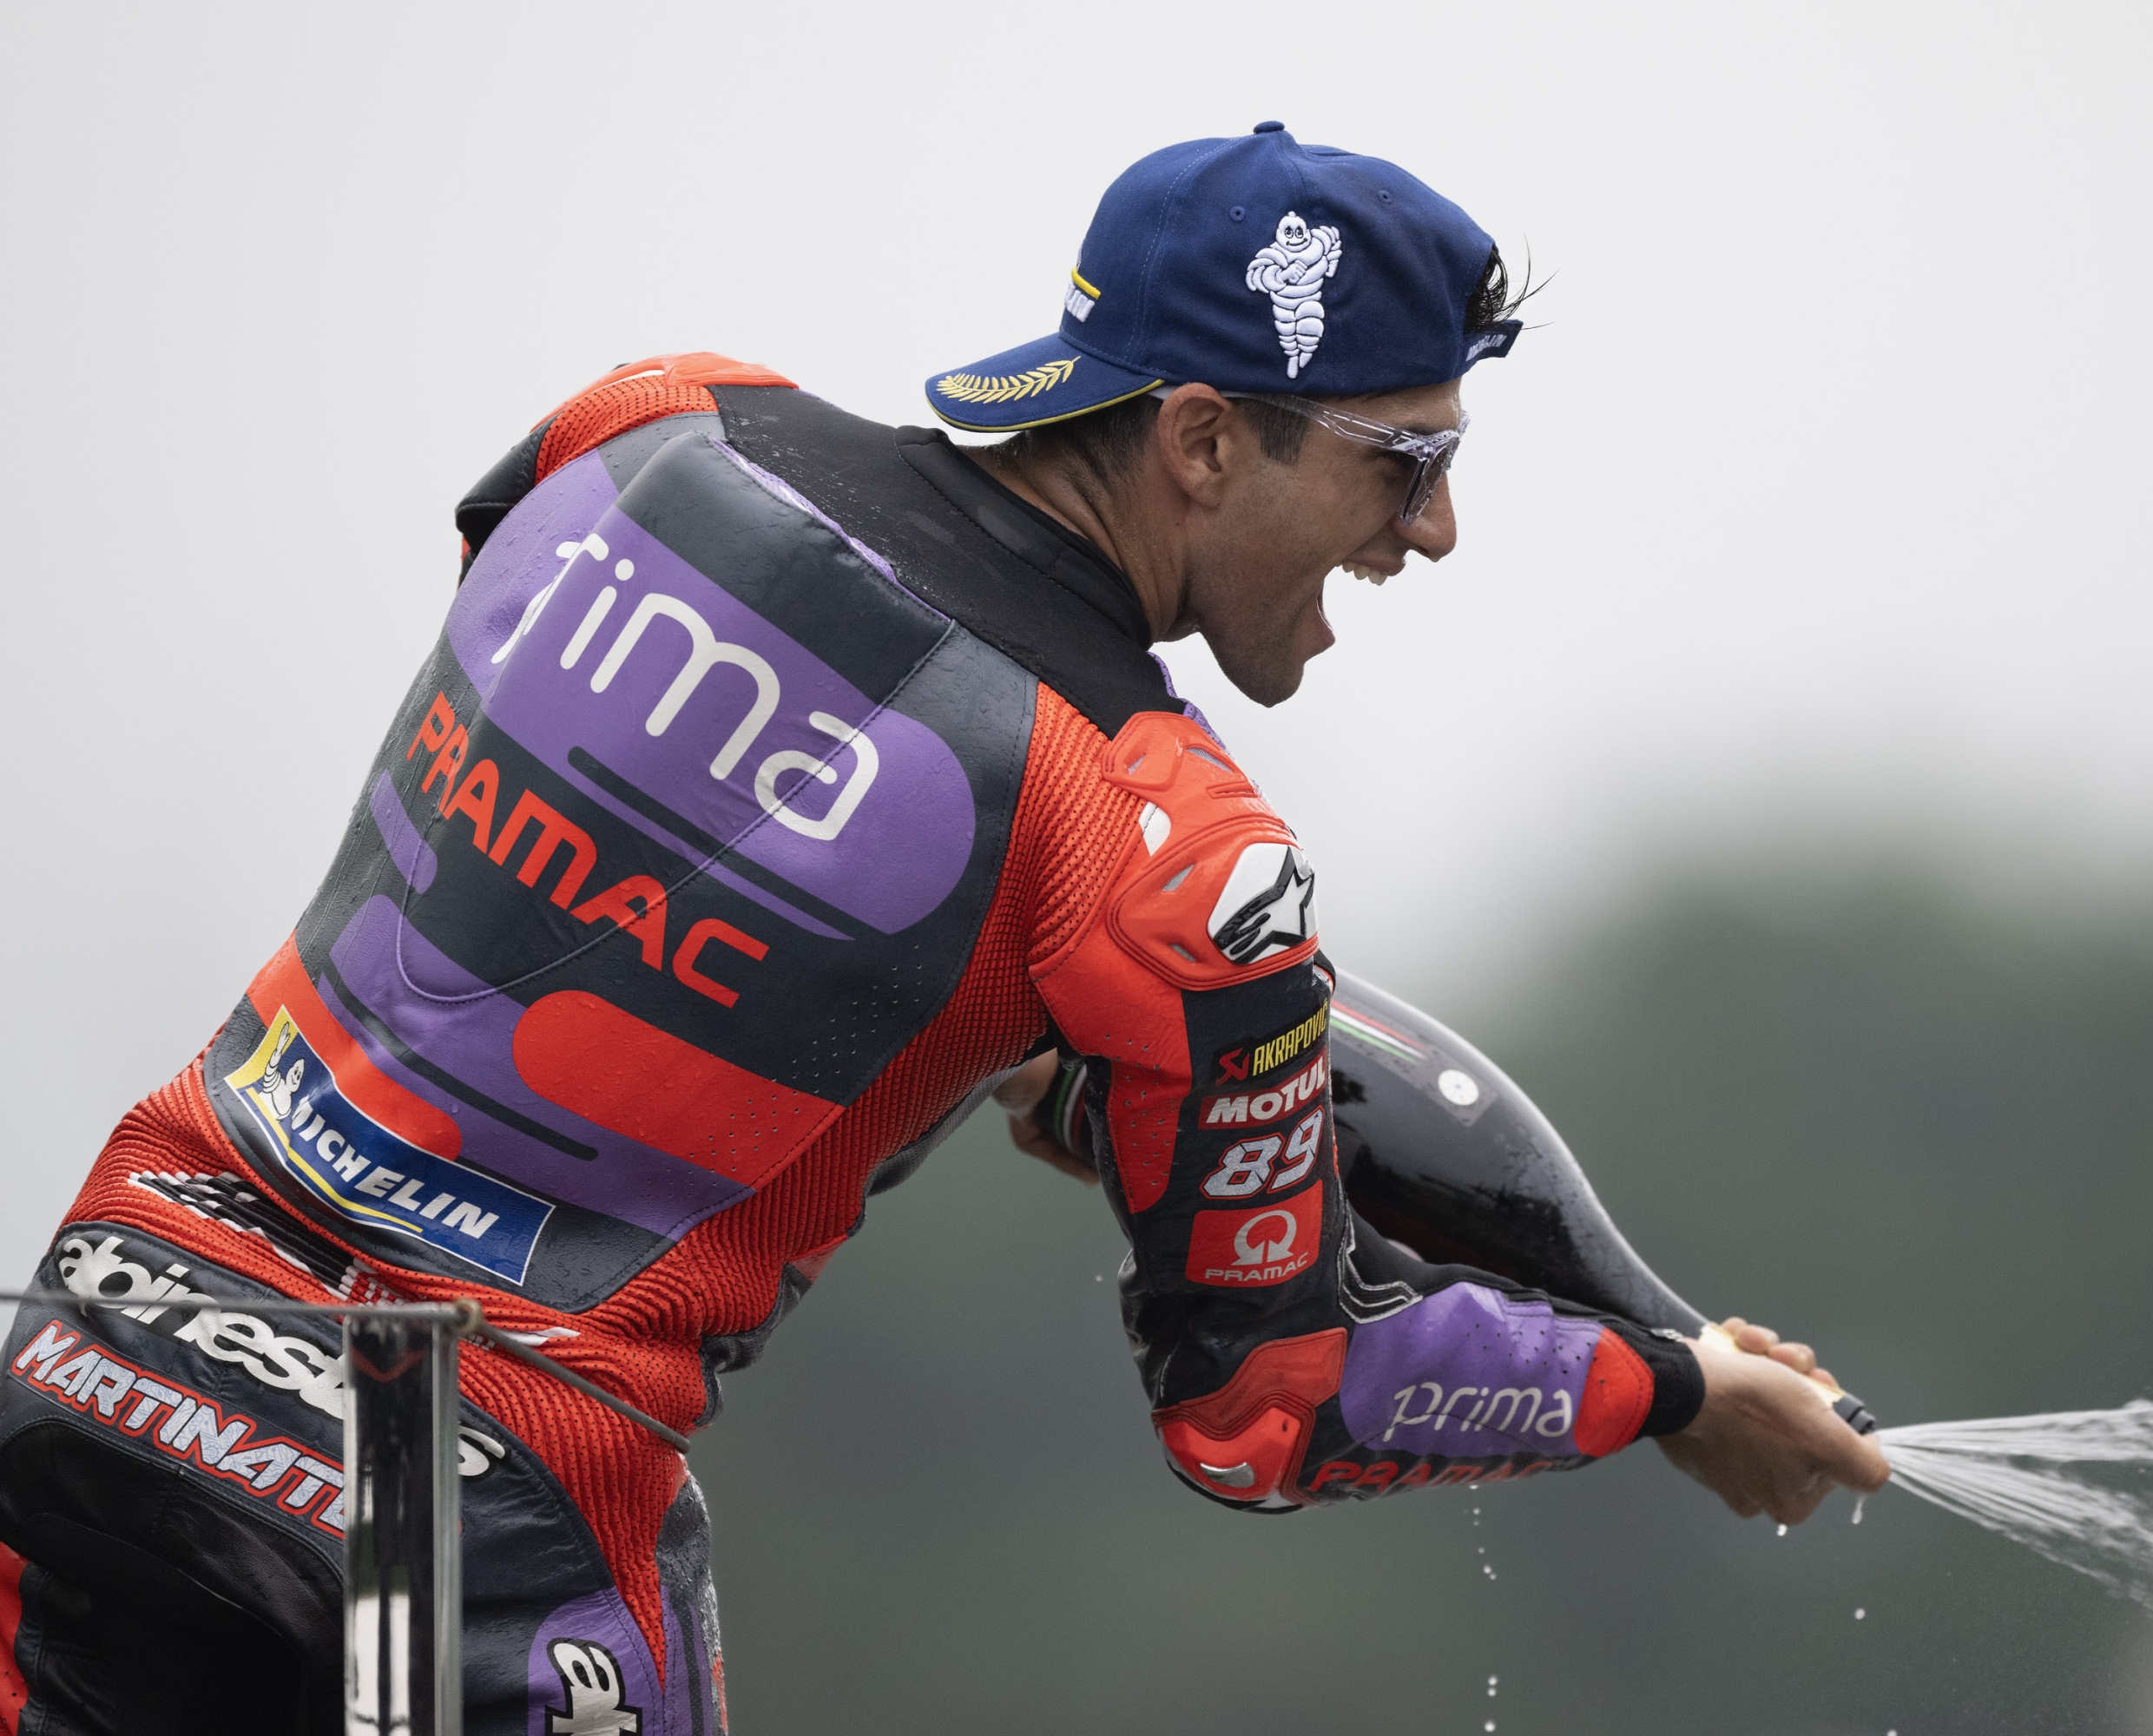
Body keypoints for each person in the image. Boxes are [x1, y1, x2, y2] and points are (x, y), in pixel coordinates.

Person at [0, 122, 1887, 1734]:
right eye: (1402, 462)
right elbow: (1272, 1406)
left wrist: (952, 1009)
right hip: (445, 1507)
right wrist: (1658, 1385)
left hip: (93, 1347)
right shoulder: (1166, 854)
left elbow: (566, 771)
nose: (1440, 530)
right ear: (1209, 443)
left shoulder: (647, 425)